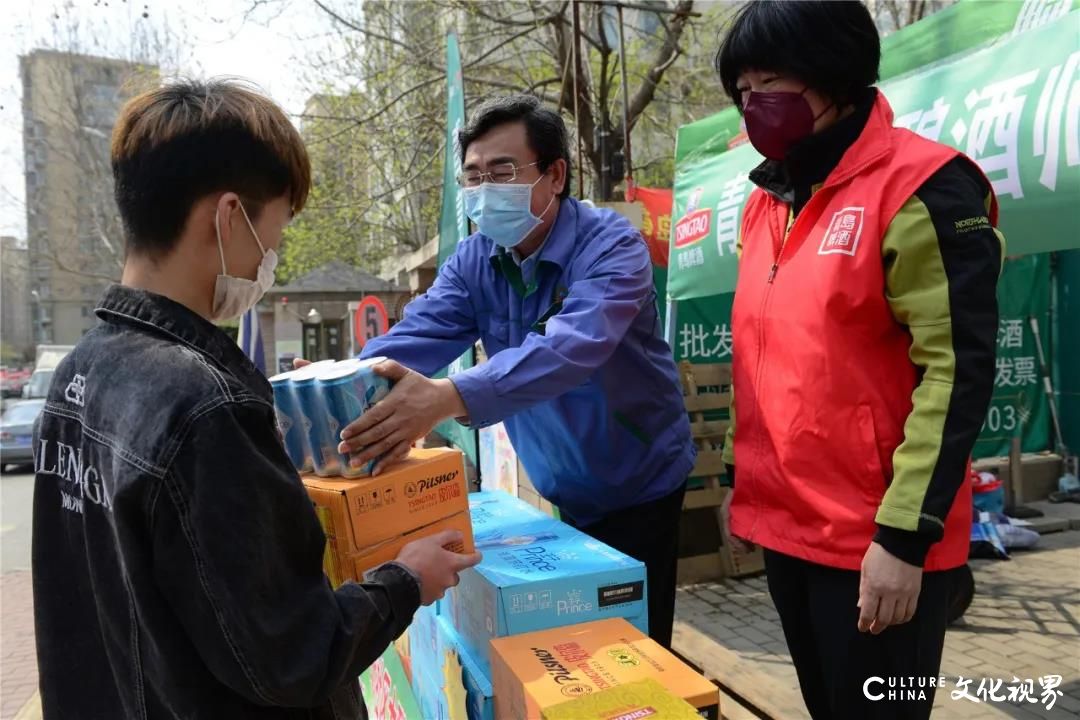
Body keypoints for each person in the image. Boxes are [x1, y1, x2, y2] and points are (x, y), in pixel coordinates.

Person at [31, 79, 479, 720]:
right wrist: (405, 581)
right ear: (227, 216)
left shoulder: (80, 371)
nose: (272, 255)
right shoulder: (206, 407)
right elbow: (291, 658)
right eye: (276, 230)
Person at [715, 3, 1003, 719]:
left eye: (771, 81)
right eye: (743, 90)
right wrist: (736, 476)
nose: (756, 106)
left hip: (876, 539)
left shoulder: (923, 186)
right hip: (786, 528)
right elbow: (759, 353)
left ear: (834, 76)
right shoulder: (766, 201)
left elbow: (957, 372)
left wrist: (905, 538)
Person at [338, 95, 695, 648]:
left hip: (639, 480)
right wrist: (332, 385)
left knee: (638, 651)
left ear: (555, 174)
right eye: (473, 177)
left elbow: (572, 346)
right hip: (561, 483)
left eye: (502, 172)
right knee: (579, 646)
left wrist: (447, 395)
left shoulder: (611, 245)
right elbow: (415, 337)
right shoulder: (475, 260)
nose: (485, 191)